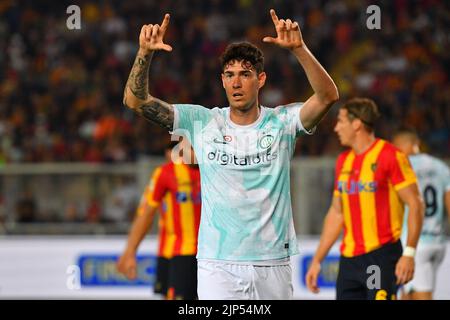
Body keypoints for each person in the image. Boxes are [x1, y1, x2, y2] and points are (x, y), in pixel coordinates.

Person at [122, 9, 339, 300]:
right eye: (230, 75)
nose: (236, 83)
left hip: (272, 260)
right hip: (218, 264)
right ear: (222, 80)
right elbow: (135, 101)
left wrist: (299, 49)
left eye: (245, 75)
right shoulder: (202, 122)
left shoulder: (282, 122)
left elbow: (328, 96)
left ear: (260, 79)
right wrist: (144, 53)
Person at [305, 98, 425, 300]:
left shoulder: (390, 156)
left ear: (357, 123)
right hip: (349, 261)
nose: (336, 128)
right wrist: (317, 259)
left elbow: (415, 204)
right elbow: (337, 213)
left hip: (380, 256)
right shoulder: (343, 161)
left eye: (341, 121)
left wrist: (410, 253)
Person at [117, 139, 201, 300]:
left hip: (213, 255)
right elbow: (145, 213)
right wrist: (130, 252)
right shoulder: (166, 173)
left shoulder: (217, 169)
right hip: (178, 252)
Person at [392, 128, 450, 300]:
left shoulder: (402, 166)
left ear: (405, 145)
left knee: (421, 295)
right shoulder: (441, 167)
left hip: (413, 243)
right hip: (437, 241)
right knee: (407, 293)